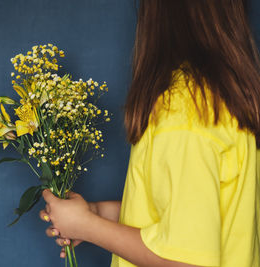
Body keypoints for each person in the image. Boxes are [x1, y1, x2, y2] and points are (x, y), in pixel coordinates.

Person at [39, 0, 260, 266]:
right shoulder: (224, 101)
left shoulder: (185, 110)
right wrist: (97, 215)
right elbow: (194, 216)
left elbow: (184, 260)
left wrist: (87, 226)